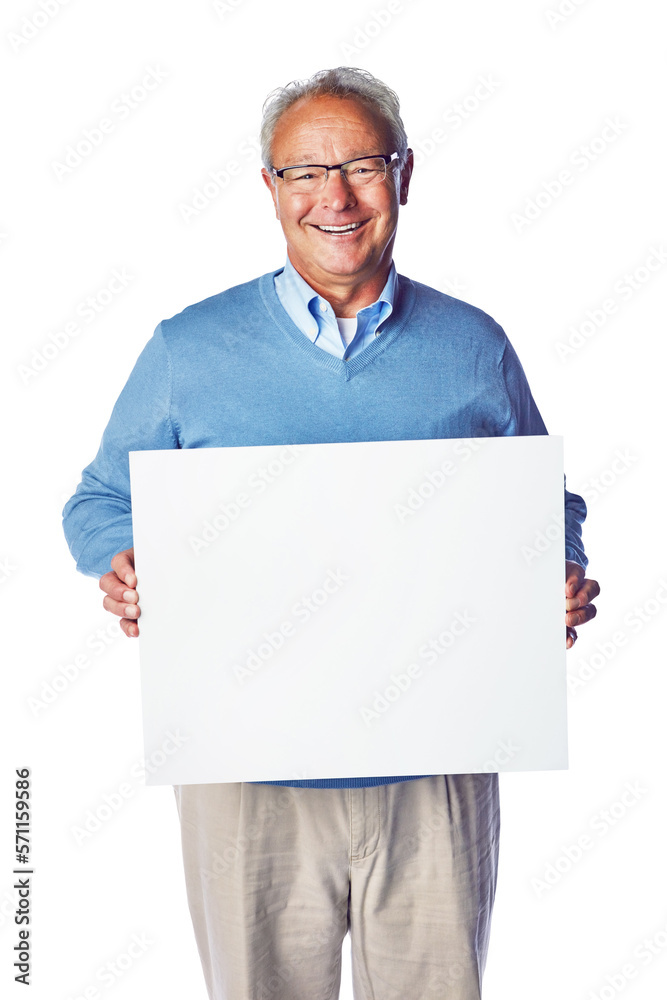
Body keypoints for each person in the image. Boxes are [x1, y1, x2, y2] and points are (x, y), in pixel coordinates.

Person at [62, 66, 600, 1000]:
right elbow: (99, 500)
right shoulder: (189, 348)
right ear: (268, 189)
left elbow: (544, 498)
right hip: (245, 767)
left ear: (404, 174)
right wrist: (124, 561)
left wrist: (555, 568)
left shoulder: (471, 344)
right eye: (303, 173)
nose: (335, 197)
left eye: (360, 165)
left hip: (438, 755)